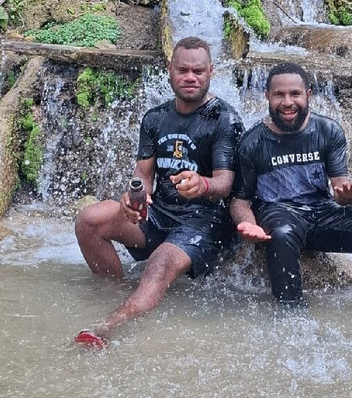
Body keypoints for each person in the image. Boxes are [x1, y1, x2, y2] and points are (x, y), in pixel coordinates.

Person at [73, 36, 243, 347]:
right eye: (182, 70)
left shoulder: (224, 119)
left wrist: (202, 184)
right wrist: (133, 198)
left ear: (210, 72)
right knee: (89, 220)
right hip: (160, 213)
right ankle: (120, 295)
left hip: (204, 222)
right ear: (169, 70)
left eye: (198, 71)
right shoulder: (155, 118)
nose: (190, 77)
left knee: (160, 261)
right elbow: (143, 173)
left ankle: (106, 328)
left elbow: (225, 184)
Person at [229, 62, 352, 307]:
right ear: (267, 96)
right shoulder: (252, 142)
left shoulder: (328, 131)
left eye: (295, 94)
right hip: (279, 213)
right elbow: (240, 201)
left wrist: (347, 196)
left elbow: (339, 191)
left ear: (308, 95)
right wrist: (248, 224)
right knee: (282, 234)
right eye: (279, 94)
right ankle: (290, 312)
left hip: (322, 211)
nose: (287, 102)